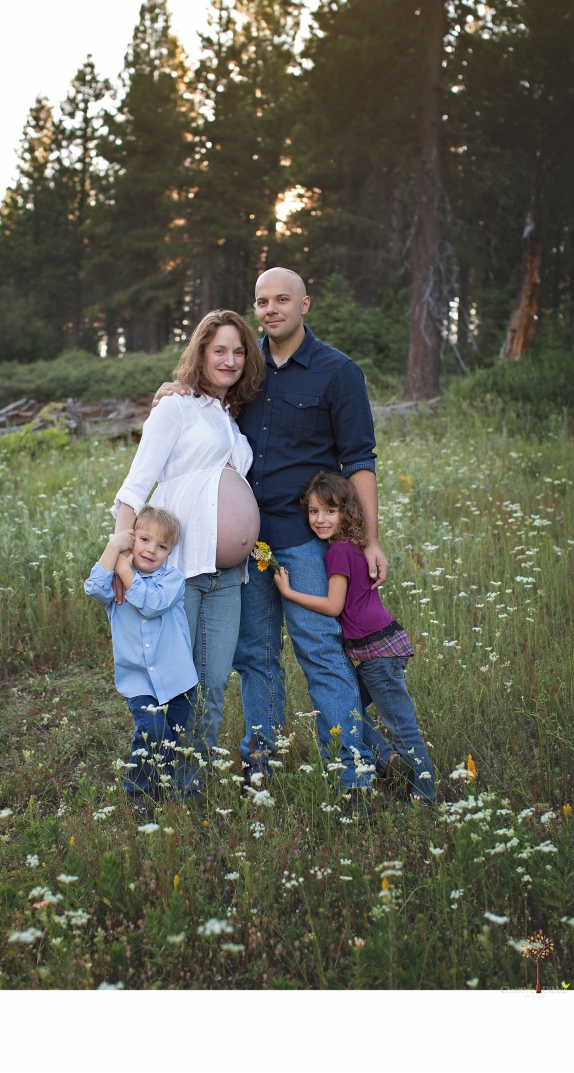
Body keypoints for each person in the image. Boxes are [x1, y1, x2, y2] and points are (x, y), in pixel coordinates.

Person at [152, 267, 390, 795]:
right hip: (249, 549)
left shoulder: (337, 372)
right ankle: (261, 762)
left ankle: (355, 772)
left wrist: (369, 539)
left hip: (305, 541)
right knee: (255, 657)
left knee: (320, 653)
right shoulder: (245, 366)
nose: (271, 309)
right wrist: (179, 386)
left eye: (283, 299)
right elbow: (205, 396)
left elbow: (360, 460)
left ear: (306, 303)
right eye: (262, 300)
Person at [111, 310, 265, 781]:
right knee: (173, 683)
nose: (230, 359)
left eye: (239, 351)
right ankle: (154, 783)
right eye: (219, 349)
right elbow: (137, 484)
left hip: (228, 575)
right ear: (200, 352)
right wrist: (119, 553)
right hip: (179, 569)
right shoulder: (175, 407)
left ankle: (190, 786)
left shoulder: (229, 417)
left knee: (215, 683)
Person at [273, 471, 435, 803]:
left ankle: (425, 795)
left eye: (330, 511)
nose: (320, 519)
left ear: (346, 511)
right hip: (380, 645)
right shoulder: (352, 544)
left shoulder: (337, 552)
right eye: (314, 511)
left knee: (401, 726)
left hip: (378, 652)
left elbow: (333, 605)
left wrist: (290, 593)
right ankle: (388, 761)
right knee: (346, 712)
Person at [84, 505, 198, 800]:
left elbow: (152, 603)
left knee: (172, 739)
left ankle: (167, 793)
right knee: (152, 732)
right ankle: (137, 792)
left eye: (161, 546)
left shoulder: (172, 581)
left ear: (169, 552)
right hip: (138, 681)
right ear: (131, 540)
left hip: (176, 680)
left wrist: (123, 569)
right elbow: (93, 589)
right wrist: (113, 549)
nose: (151, 550)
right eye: (144, 540)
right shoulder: (115, 583)